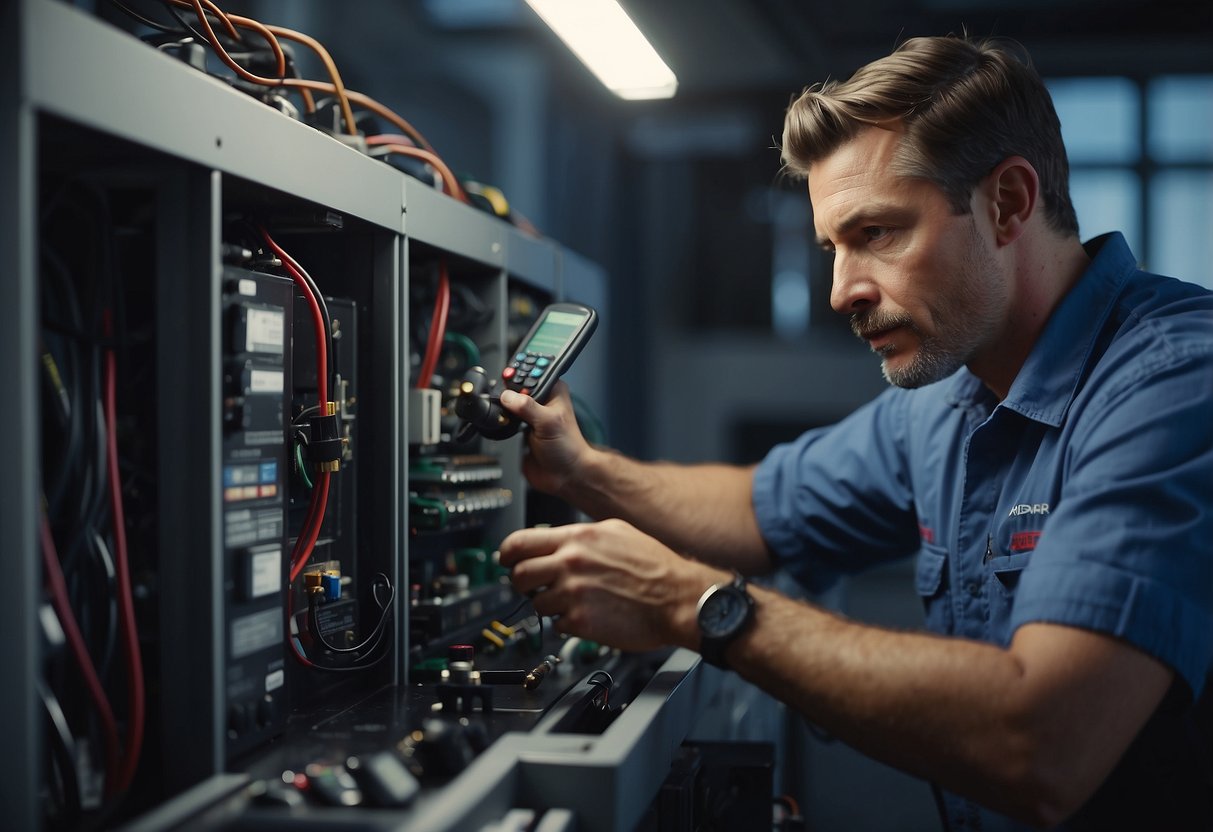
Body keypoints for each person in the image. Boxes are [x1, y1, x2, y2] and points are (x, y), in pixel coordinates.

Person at [497, 34, 1213, 831]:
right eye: (832, 247)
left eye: (876, 233)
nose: (840, 292)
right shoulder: (948, 401)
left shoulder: (1173, 381)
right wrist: (585, 471)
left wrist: (689, 603)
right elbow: (759, 507)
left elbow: (1041, 743)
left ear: (1007, 203)